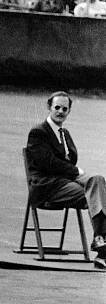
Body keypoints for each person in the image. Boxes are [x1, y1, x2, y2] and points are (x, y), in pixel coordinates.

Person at [26, 91, 106, 270]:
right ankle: (102, 249)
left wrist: (74, 172)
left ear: (69, 111)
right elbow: (47, 163)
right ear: (49, 107)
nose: (60, 112)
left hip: (68, 181)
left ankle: (101, 241)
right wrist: (75, 170)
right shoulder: (38, 132)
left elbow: (69, 158)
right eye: (57, 108)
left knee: (98, 181)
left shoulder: (65, 132)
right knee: (97, 197)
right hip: (48, 185)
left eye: (65, 109)